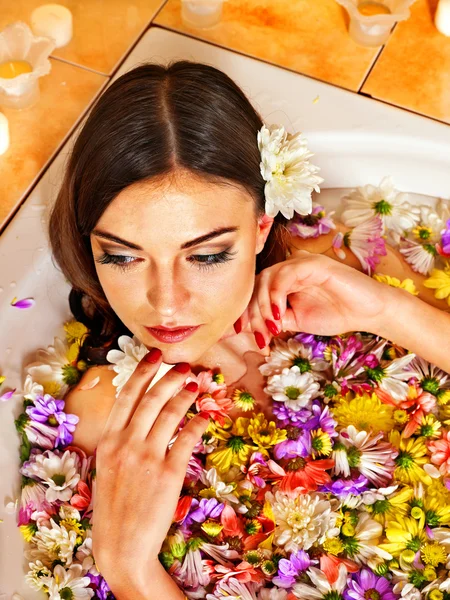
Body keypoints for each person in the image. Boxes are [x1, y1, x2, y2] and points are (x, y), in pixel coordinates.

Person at [48, 61, 450, 600]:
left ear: (262, 228)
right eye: (122, 256)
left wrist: (388, 314)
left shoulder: (338, 267)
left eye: (208, 255)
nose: (165, 302)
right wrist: (130, 572)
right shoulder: (105, 414)